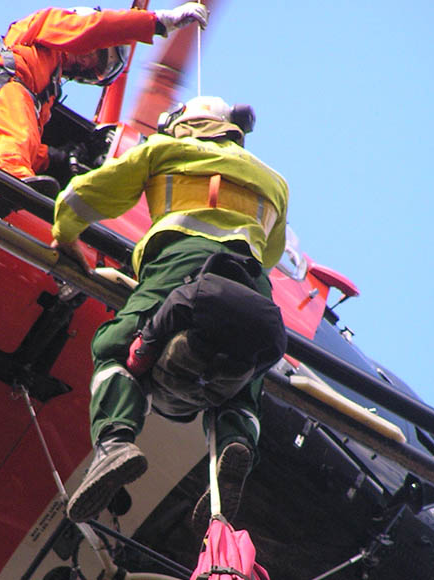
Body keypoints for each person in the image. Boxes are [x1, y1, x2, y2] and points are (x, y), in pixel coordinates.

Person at [51, 96, 289, 529]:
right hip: (254, 282)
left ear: (183, 124)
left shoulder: (166, 151)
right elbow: (271, 252)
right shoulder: (275, 183)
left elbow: (83, 197)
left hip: (181, 262)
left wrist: (65, 232)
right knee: (243, 381)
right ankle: (234, 449)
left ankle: (116, 442)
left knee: (115, 345)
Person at [0, 3, 208, 217]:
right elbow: (91, 29)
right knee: (16, 117)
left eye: (92, 71)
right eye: (96, 56)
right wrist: (158, 22)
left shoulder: (41, 96)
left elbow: (22, 143)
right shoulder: (46, 25)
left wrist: (60, 157)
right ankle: (9, 181)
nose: (85, 64)